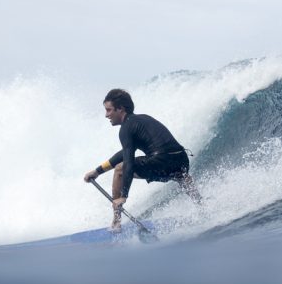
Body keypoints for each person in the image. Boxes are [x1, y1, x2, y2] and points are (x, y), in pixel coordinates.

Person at [84, 89, 201, 232]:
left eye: (109, 110)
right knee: (180, 176)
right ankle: (201, 206)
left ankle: (116, 221)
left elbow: (128, 162)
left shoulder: (126, 129)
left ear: (120, 109)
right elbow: (124, 153)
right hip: (181, 159)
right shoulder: (143, 119)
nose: (106, 115)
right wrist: (97, 171)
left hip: (161, 160)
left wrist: (123, 196)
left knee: (120, 169)